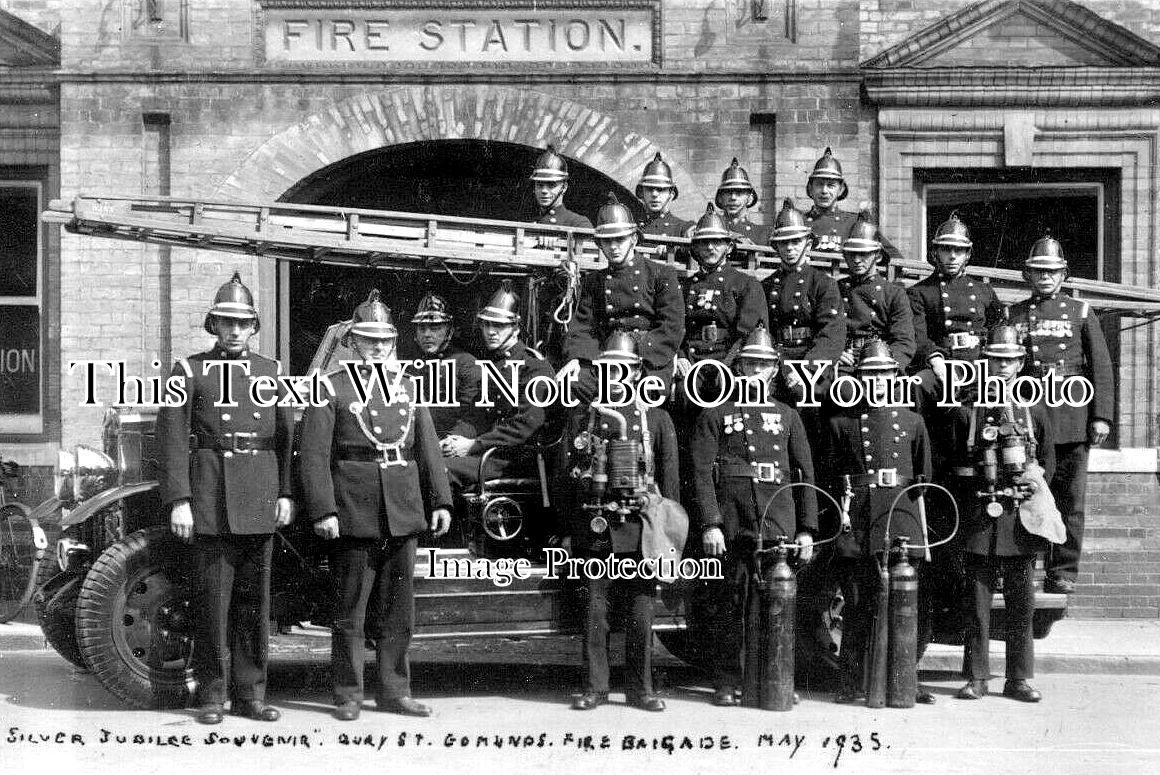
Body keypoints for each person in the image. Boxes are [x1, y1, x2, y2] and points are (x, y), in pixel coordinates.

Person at [297, 290, 453, 721]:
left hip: (402, 508)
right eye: (368, 339)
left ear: (393, 343)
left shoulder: (407, 387)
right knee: (351, 611)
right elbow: (314, 456)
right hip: (353, 508)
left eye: (384, 340)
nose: (377, 347)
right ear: (353, 342)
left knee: (399, 610)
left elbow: (428, 449)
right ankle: (348, 694)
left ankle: (394, 691)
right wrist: (323, 510)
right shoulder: (330, 388)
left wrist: (440, 500)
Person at [156, 271, 294, 725]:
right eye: (225, 322)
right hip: (211, 497)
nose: (234, 331)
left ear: (254, 327)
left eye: (242, 323)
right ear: (212, 325)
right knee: (214, 605)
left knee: (255, 606)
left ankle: (251, 695)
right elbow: (172, 439)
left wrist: (286, 493)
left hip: (258, 497)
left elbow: (286, 439)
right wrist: (179, 500)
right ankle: (213, 696)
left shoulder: (272, 372)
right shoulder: (189, 370)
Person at [690, 325, 817, 706]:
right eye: (749, 364)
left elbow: (805, 473)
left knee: (776, 604)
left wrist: (807, 529)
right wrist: (711, 522)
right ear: (738, 367)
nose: (755, 372)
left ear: (775, 370)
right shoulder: (715, 414)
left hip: (778, 519)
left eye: (763, 366)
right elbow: (700, 472)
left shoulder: (788, 415)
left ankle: (775, 677)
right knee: (731, 603)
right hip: (733, 520)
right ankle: (728, 681)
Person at [565, 332, 679, 713]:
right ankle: (594, 688)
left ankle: (640, 690)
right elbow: (567, 472)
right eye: (607, 369)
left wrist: (664, 534)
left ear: (634, 373)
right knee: (594, 612)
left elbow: (671, 481)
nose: (614, 376)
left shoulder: (657, 419)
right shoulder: (583, 417)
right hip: (596, 528)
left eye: (622, 369)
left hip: (641, 529)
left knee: (640, 613)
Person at [943, 323, 1055, 703]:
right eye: (995, 360)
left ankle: (1019, 678)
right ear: (984, 362)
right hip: (979, 516)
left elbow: (1047, 464)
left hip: (1020, 519)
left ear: (1021, 362)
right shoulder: (967, 410)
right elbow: (952, 464)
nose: (1002, 366)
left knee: (1022, 605)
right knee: (976, 605)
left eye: (1009, 360)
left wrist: (1025, 486)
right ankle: (977, 677)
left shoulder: (1034, 409)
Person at [825, 340, 933, 705]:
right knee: (856, 603)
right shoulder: (842, 424)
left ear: (894, 376)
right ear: (858, 379)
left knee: (905, 604)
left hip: (900, 515)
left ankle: (905, 680)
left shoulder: (913, 422)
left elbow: (923, 478)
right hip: (858, 517)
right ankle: (851, 681)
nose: (877, 381)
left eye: (883, 374)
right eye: (869, 375)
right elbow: (832, 474)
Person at [1008, 234, 1113, 594]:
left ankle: (1063, 571)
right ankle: (1025, 567)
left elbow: (1100, 367)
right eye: (1038, 271)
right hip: (1032, 417)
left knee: (1070, 499)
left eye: (1052, 271)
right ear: (1027, 274)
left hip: (1071, 415)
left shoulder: (1081, 311)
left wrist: (1101, 416)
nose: (1045, 277)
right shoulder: (1015, 314)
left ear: (1064, 274)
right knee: (1032, 492)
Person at [563, 193, 685, 402]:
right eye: (607, 241)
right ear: (599, 244)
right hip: (607, 356)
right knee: (572, 383)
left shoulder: (661, 274)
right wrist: (578, 358)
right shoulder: (594, 280)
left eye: (620, 239)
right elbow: (583, 326)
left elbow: (671, 325)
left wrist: (639, 357)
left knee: (648, 392)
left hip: (648, 357)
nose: (613, 247)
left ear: (634, 238)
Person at [442, 281, 554, 489]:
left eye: (499, 325)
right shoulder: (495, 365)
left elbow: (526, 424)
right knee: (430, 463)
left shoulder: (534, 366)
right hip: (487, 453)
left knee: (440, 472)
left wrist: (474, 445)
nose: (491, 332)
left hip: (512, 459)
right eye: (486, 324)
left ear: (516, 328)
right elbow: (476, 415)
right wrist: (453, 440)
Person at [907, 212, 1004, 415]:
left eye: (959, 251)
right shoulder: (920, 292)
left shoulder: (983, 290)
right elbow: (919, 337)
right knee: (919, 384)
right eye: (946, 249)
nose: (952, 256)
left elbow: (998, 327)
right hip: (943, 363)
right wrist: (937, 363)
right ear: (935, 253)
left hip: (978, 363)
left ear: (967, 255)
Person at [763, 198, 845, 409]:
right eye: (784, 243)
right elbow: (762, 329)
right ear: (776, 247)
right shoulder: (766, 285)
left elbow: (830, 333)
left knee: (806, 391)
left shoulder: (823, 283)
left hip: (811, 357)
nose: (789, 248)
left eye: (796, 242)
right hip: (777, 357)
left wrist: (807, 369)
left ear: (808, 244)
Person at [677, 203, 769, 374]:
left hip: (730, 361)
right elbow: (677, 329)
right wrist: (681, 356)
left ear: (729, 247)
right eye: (703, 243)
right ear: (695, 248)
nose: (710, 247)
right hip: (692, 361)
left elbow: (749, 334)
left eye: (717, 242)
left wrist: (729, 367)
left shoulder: (746, 284)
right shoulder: (686, 287)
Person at [836, 210, 915, 375]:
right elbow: (824, 332)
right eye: (851, 254)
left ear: (878, 256)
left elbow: (903, 342)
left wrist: (888, 366)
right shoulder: (835, 289)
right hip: (844, 364)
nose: (857, 260)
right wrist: (833, 354)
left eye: (864, 254)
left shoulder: (893, 294)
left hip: (882, 366)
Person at [802, 147, 900, 267]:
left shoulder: (854, 223)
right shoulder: (799, 222)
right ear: (810, 188)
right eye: (819, 185)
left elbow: (894, 258)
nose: (824, 191)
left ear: (841, 189)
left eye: (831, 185)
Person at [406, 291, 480, 440]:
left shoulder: (467, 363)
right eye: (422, 328)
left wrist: (450, 441)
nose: (427, 334)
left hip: (450, 443)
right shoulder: (410, 366)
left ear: (449, 332)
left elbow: (473, 416)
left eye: (434, 328)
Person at [529, 145, 593, 228]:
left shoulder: (579, 224)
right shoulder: (532, 224)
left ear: (564, 187)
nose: (544, 190)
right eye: (539, 185)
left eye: (551, 185)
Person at [714, 157, 771, 246]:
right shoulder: (711, 229)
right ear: (720, 198)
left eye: (739, 192)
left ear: (750, 198)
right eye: (728, 192)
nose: (733, 197)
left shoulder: (763, 235)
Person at [635, 151, 692, 237]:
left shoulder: (681, 229)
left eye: (660, 189)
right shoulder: (633, 229)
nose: (654, 194)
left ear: (671, 195)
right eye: (649, 189)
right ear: (641, 193)